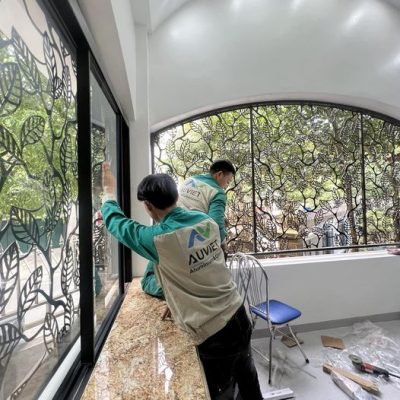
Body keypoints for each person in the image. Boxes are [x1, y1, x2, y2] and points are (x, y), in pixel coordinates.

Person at [101, 163, 264, 400]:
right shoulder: (206, 222)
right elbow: (201, 270)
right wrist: (177, 297)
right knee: (249, 382)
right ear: (176, 197)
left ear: (148, 206)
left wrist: (108, 193)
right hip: (239, 314)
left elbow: (117, 224)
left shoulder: (159, 240)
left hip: (215, 334)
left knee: (222, 393)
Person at [141, 159, 236, 298]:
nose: (226, 186)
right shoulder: (217, 192)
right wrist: (222, 245)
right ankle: (176, 292)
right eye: (228, 181)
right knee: (188, 280)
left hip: (165, 229)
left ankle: (166, 289)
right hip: (188, 240)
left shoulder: (191, 179)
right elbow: (216, 227)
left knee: (149, 277)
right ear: (219, 174)